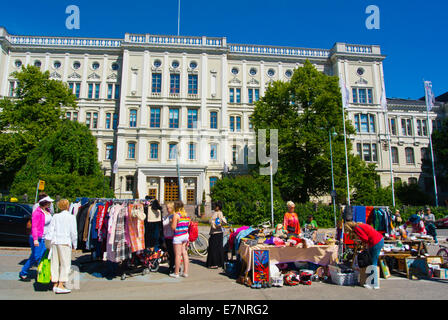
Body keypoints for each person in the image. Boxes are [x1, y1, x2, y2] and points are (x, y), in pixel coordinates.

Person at [19, 196, 54, 281]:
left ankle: (36, 272)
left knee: (40, 255)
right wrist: (35, 239)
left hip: (45, 237)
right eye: (49, 202)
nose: (50, 204)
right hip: (37, 237)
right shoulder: (37, 212)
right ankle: (25, 272)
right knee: (36, 256)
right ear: (45, 203)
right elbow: (34, 227)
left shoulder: (47, 211)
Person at [47, 199, 77, 294]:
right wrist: (74, 244)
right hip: (65, 242)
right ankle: (61, 284)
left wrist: (48, 243)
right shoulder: (71, 217)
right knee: (65, 264)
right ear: (68, 206)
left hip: (55, 242)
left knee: (55, 263)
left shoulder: (55, 216)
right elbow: (73, 232)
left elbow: (51, 230)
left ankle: (55, 283)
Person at [344, 221, 384, 290]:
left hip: (375, 242)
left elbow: (365, 238)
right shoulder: (360, 225)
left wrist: (359, 240)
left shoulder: (357, 228)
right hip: (378, 240)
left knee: (372, 263)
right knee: (371, 262)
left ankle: (375, 284)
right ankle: (371, 282)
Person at [170, 200, 190, 278]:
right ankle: (185, 272)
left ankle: (176, 273)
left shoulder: (176, 215)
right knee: (185, 254)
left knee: (178, 255)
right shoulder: (186, 215)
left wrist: (171, 222)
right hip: (185, 235)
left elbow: (173, 227)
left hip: (178, 236)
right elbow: (187, 225)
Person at [206, 201, 227, 269]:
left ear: (218, 207)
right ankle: (217, 262)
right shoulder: (215, 212)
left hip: (217, 233)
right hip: (214, 232)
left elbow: (220, 222)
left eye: (215, 206)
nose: (214, 207)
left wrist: (214, 223)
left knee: (214, 248)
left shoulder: (219, 213)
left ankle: (215, 263)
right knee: (214, 248)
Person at [162, 202, 175, 274]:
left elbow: (164, 223)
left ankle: (173, 267)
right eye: (167, 208)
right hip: (166, 236)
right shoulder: (167, 216)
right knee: (169, 253)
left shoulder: (172, 216)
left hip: (171, 237)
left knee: (172, 253)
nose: (167, 209)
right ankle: (170, 266)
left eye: (169, 208)